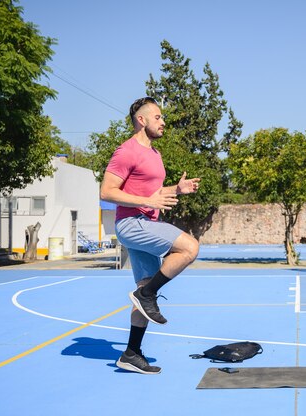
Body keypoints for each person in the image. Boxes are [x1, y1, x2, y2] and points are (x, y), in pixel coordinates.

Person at [100, 96, 201, 375]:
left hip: (144, 221)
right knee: (189, 248)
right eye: (158, 117)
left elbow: (152, 195)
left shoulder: (154, 154)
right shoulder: (126, 151)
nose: (163, 121)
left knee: (144, 297)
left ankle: (131, 353)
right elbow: (107, 192)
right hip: (132, 223)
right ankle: (146, 293)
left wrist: (176, 190)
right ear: (141, 120)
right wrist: (149, 203)